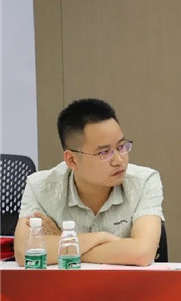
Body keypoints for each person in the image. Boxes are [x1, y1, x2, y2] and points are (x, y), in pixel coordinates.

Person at [14, 98, 164, 267]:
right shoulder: (40, 187)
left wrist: (64, 245)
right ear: (72, 160)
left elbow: (142, 253)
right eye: (104, 152)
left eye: (121, 146)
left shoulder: (144, 182)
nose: (119, 160)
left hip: (125, 283)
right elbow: (23, 253)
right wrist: (102, 238)